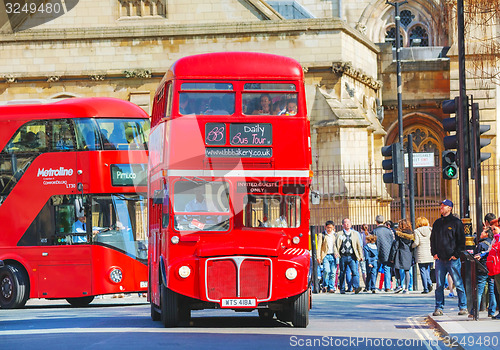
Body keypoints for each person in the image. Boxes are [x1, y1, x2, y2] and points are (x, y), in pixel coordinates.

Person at [431, 199, 468, 316]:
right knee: (439, 285)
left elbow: (461, 241)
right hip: (440, 259)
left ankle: (463, 307)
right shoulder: (437, 223)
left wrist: (456, 255)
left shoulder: (456, 223)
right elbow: (432, 239)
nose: (441, 208)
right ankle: (439, 307)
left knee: (458, 283)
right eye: (441, 206)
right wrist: (434, 253)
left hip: (452, 259)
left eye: (444, 206)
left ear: (450, 208)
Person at [473, 226, 497, 318]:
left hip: (482, 269)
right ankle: (491, 311)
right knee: (492, 291)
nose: (480, 233)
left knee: (479, 290)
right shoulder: (492, 242)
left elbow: (476, 254)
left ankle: (475, 311)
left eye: (483, 232)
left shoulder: (481, 245)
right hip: (491, 269)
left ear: (487, 233)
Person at [336, 218, 363, 294]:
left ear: (351, 224)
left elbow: (358, 246)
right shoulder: (339, 234)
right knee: (342, 272)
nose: (347, 224)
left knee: (355, 272)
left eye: (349, 223)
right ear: (343, 225)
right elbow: (336, 245)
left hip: (352, 256)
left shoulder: (355, 234)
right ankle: (342, 288)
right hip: (343, 256)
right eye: (345, 223)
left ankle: (356, 287)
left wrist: (360, 255)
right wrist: (336, 252)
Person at [412, 216, 434, 294]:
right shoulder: (430, 230)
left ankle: (426, 288)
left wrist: (412, 246)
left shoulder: (417, 231)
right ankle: (430, 283)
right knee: (427, 269)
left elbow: (416, 242)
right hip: (429, 252)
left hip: (420, 253)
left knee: (422, 270)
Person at [393, 219, 414, 294]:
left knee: (397, 268)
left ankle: (399, 286)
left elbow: (396, 245)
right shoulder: (411, 234)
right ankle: (407, 288)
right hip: (408, 253)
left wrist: (392, 256)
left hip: (400, 252)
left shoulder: (399, 234)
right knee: (407, 270)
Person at [373, 215, 394, 292]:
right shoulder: (388, 231)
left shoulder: (375, 231)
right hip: (387, 253)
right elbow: (392, 241)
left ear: (376, 221)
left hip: (377, 252)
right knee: (387, 270)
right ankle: (387, 286)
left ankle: (373, 286)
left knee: (375, 270)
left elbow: (373, 241)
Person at [317, 221, 339, 293]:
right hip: (325, 255)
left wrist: (338, 254)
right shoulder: (322, 235)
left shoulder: (335, 235)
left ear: (333, 227)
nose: (329, 229)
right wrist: (318, 256)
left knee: (333, 272)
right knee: (326, 270)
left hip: (333, 255)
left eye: (331, 227)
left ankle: (331, 287)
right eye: (328, 227)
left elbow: (338, 245)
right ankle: (325, 285)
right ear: (325, 227)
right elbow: (319, 246)